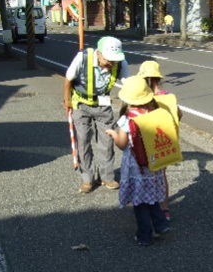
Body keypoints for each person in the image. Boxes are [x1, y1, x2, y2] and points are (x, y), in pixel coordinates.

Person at [105, 77, 172, 246]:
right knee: (152, 199)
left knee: (140, 203)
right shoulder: (153, 115)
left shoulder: (127, 120)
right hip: (153, 165)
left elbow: (121, 144)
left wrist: (113, 134)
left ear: (127, 99)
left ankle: (144, 236)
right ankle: (161, 224)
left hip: (137, 169)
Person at [63, 36, 130, 193]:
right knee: (83, 141)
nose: (111, 64)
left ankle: (107, 177)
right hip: (81, 105)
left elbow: (129, 86)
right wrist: (67, 101)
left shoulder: (121, 63)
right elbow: (68, 79)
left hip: (103, 105)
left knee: (107, 142)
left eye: (114, 60)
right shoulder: (83, 57)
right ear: (99, 54)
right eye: (108, 60)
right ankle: (87, 178)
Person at [137, 60, 183, 220]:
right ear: (158, 79)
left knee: (144, 175)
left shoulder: (141, 97)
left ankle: (148, 207)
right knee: (161, 176)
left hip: (144, 144)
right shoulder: (168, 97)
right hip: (163, 143)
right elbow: (179, 115)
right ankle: (164, 209)